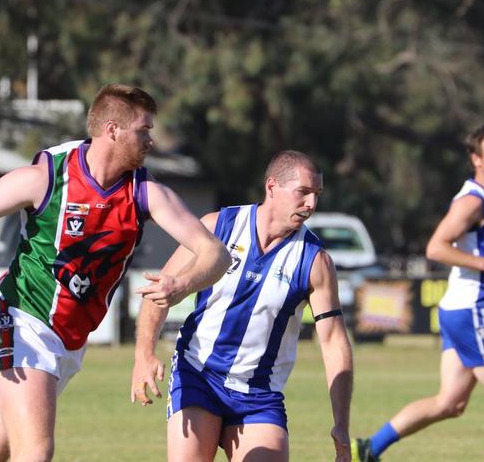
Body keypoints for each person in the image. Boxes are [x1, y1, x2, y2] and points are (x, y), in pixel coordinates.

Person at [0, 83, 231, 462]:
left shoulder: (144, 193)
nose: (151, 140)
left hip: (68, 341)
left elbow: (216, 253)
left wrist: (182, 284)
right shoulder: (47, 176)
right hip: (21, 319)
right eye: (143, 130)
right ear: (112, 130)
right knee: (35, 452)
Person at [132, 150, 354, 462]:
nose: (311, 205)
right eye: (303, 193)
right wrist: (144, 354)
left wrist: (341, 424)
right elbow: (160, 288)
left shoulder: (315, 261)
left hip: (259, 395)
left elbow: (334, 342)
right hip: (199, 375)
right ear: (272, 186)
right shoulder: (218, 227)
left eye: (317, 194)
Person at [352, 120, 484, 462]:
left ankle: (369, 448)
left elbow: (483, 253)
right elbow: (435, 248)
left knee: (451, 402)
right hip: (475, 311)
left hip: (461, 310)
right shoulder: (473, 202)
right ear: (476, 159)